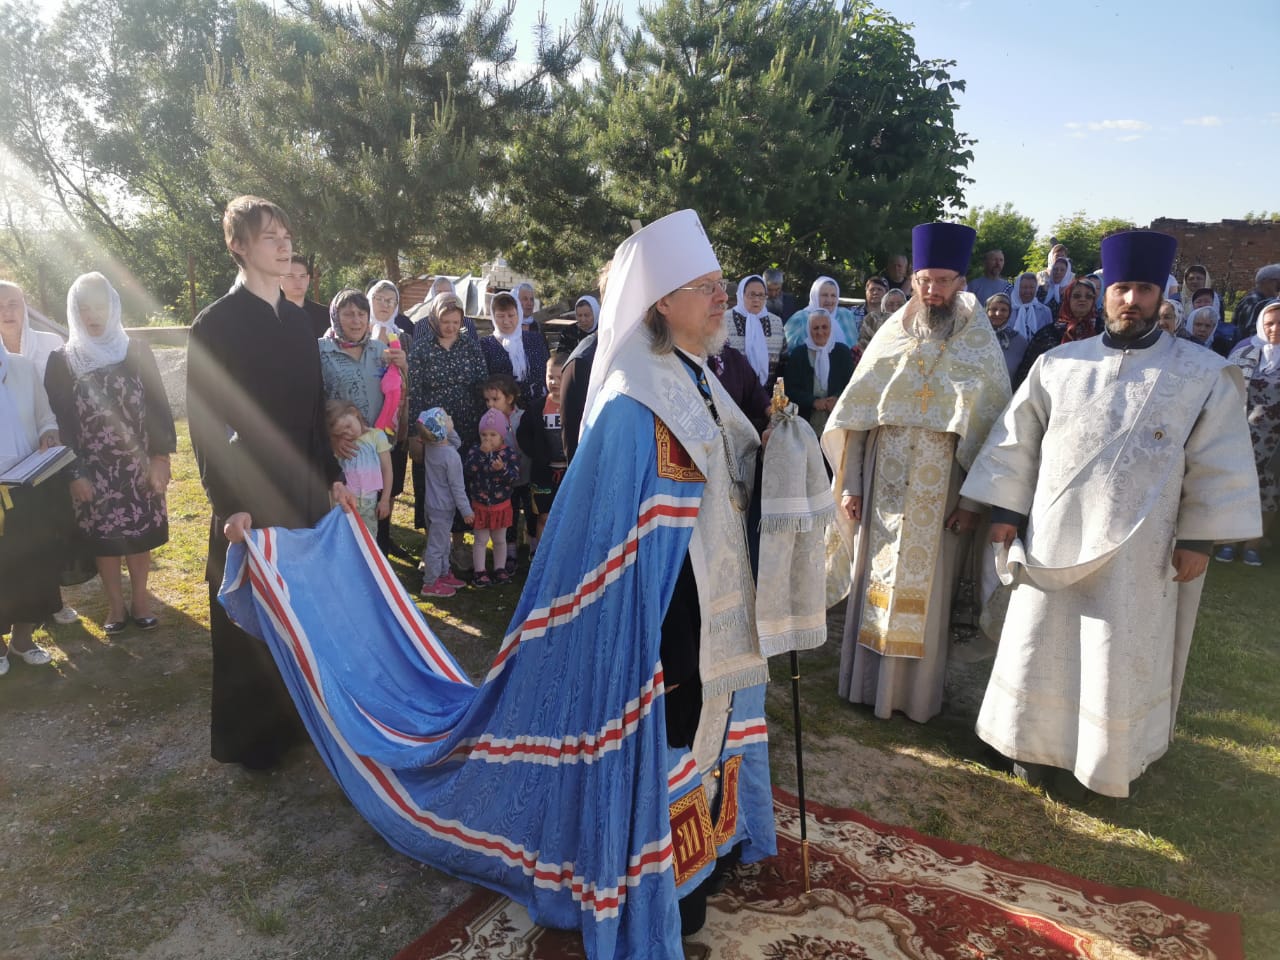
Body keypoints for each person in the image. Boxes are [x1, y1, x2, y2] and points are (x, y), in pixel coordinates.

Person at [960, 229, 1261, 799]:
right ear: (1103, 294)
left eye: (1143, 290)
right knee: (1038, 643)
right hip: (1053, 536)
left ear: (1161, 296)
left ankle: (1099, 762)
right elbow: (1016, 442)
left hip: (1140, 551)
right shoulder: (1058, 364)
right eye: (1121, 288)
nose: (1131, 300)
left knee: (1113, 653)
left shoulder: (1200, 374)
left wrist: (1198, 539)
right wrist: (1004, 510)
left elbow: (1217, 460)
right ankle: (1026, 746)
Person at [186, 194, 356, 770]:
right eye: (269, 237)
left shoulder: (298, 321)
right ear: (238, 246)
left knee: (300, 609)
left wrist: (331, 477)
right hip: (248, 497)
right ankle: (253, 742)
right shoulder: (215, 324)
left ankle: (299, 718)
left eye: (286, 235)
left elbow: (312, 414)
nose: (284, 246)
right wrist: (227, 503)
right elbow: (207, 423)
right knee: (252, 618)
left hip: (302, 489)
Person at [822, 222, 1011, 723]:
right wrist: (852, 486)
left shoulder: (979, 347)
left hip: (942, 496)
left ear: (962, 284)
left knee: (928, 598)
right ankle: (864, 688)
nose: (932, 290)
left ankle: (915, 698)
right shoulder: (891, 336)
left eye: (944, 281)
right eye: (925, 279)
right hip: (882, 488)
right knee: (873, 585)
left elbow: (993, 436)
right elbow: (858, 422)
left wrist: (972, 505)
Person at [44, 272, 176, 634]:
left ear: (113, 307)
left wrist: (161, 458)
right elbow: (61, 422)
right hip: (92, 467)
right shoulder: (63, 361)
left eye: (100, 306)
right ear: (74, 312)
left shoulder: (135, 350)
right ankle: (115, 606)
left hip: (139, 464)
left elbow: (158, 408)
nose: (93, 315)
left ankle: (141, 599)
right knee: (104, 539)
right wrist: (75, 473)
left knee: (139, 534)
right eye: (84, 308)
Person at [0, 280, 79, 625]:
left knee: (40, 548)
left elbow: (47, 414)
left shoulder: (32, 358)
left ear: (25, 306)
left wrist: (49, 432)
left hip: (36, 474)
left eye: (13, 303)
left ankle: (39, 618)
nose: (7, 311)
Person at [318, 288, 409, 557]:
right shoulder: (321, 351)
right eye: (348, 314)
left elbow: (398, 393)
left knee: (375, 515)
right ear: (336, 316)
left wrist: (404, 367)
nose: (356, 320)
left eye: (361, 314)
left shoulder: (380, 350)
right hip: (341, 450)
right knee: (342, 520)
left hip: (375, 448)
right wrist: (330, 437)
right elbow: (311, 400)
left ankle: (376, 574)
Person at [0, 339, 62, 674]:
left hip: (27, 485)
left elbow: (45, 416)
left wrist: (48, 434)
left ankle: (22, 640)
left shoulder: (22, 366)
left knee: (31, 563)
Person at [406, 292, 487, 534]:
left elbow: (481, 384)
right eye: (445, 321)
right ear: (434, 319)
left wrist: (484, 427)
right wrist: (414, 434)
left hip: (465, 425)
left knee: (460, 482)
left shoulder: (470, 346)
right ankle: (433, 540)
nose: (451, 327)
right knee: (432, 485)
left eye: (456, 322)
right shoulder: (421, 349)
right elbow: (415, 392)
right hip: (431, 431)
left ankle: (460, 541)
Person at [1218, 299, 1280, 567]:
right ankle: (1229, 541)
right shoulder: (1244, 350)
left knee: (1266, 492)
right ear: (1260, 324)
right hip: (1241, 434)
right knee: (1235, 486)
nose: (1275, 328)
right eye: (1270, 323)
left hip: (1274, 441)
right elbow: (1225, 388)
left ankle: (1253, 544)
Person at [414, 407, 472, 598]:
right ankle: (430, 583)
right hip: (442, 507)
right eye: (447, 418)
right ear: (442, 430)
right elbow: (457, 488)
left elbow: (455, 441)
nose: (450, 417)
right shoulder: (451, 457)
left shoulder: (432, 446)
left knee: (443, 543)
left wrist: (447, 428)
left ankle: (444, 573)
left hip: (432, 505)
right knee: (437, 547)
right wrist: (466, 511)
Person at [516, 351, 570, 551]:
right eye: (550, 377)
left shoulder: (577, 406)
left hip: (570, 471)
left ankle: (562, 555)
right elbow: (523, 434)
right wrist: (538, 454)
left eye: (560, 377)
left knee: (567, 516)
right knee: (544, 517)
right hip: (543, 473)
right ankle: (539, 559)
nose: (554, 382)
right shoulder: (537, 407)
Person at [464, 407, 521, 587]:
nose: (488, 439)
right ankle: (479, 571)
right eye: (484, 435)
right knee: (480, 540)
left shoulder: (508, 454)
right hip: (480, 504)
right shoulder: (475, 452)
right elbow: (468, 471)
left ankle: (500, 568)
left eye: (493, 435)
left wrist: (502, 469)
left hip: (500, 505)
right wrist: (481, 455)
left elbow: (514, 477)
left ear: (502, 436)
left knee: (499, 540)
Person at [1014, 277, 1100, 387]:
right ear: (1068, 299)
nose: (1083, 299)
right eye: (1076, 296)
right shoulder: (1048, 333)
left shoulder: (1102, 331)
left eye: (1089, 296)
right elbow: (1028, 372)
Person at [326, 399, 392, 535]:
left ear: (354, 413)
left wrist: (385, 499)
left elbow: (387, 470)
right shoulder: (340, 446)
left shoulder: (376, 436)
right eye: (341, 434)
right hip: (343, 505)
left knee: (368, 540)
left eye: (348, 426)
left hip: (369, 504)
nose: (348, 434)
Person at [784, 307, 853, 435]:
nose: (820, 332)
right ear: (809, 330)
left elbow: (852, 384)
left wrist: (837, 399)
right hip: (806, 422)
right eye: (815, 328)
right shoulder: (799, 354)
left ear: (831, 328)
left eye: (824, 327)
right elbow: (790, 389)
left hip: (837, 419)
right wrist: (813, 402)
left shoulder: (842, 352)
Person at [479, 291, 549, 413]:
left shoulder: (535, 339)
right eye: (500, 316)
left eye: (511, 315)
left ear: (519, 314)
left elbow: (546, 371)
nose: (506, 321)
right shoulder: (485, 345)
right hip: (502, 413)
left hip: (537, 409)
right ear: (493, 317)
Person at [723, 274, 785, 387]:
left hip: (768, 396)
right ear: (741, 295)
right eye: (751, 295)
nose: (756, 300)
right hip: (732, 394)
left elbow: (783, 362)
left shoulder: (776, 322)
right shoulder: (724, 321)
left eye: (761, 295)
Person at [783, 275, 857, 348]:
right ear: (814, 296)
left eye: (833, 295)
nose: (829, 300)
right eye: (824, 295)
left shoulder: (846, 316)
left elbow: (855, 348)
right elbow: (788, 350)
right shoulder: (800, 319)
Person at [281, 255, 331, 337]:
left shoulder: (325, 315)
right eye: (290, 276)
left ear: (308, 279)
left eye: (302, 276)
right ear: (279, 279)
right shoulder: (269, 315)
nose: (298, 281)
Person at [985, 292, 1028, 384]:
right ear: (986, 311)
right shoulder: (976, 336)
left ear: (1009, 313)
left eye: (1003, 310)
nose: (998, 313)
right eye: (993, 309)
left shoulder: (1019, 341)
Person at [1232, 264, 1280, 343]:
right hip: (1249, 349)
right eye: (1276, 280)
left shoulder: (1262, 300)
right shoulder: (1254, 302)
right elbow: (1251, 333)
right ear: (1265, 281)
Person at [855, 286, 907, 358]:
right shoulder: (872, 320)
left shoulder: (911, 323)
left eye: (900, 305)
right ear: (883, 307)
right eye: (890, 304)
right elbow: (863, 346)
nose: (895, 308)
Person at [366, 279, 415, 344]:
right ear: (370, 301)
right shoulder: (357, 332)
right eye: (379, 299)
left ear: (395, 307)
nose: (385, 305)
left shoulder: (405, 339)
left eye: (391, 301)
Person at [1008, 271, 1053, 341]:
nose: (1028, 291)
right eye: (1024, 287)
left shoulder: (1045, 311)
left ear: (1036, 289)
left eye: (1032, 287)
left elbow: (1050, 334)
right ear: (1017, 288)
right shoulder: (1008, 309)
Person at [849, 276, 889, 345]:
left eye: (879, 289)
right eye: (872, 289)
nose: (875, 292)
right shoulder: (851, 313)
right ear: (866, 291)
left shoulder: (891, 316)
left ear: (886, 293)